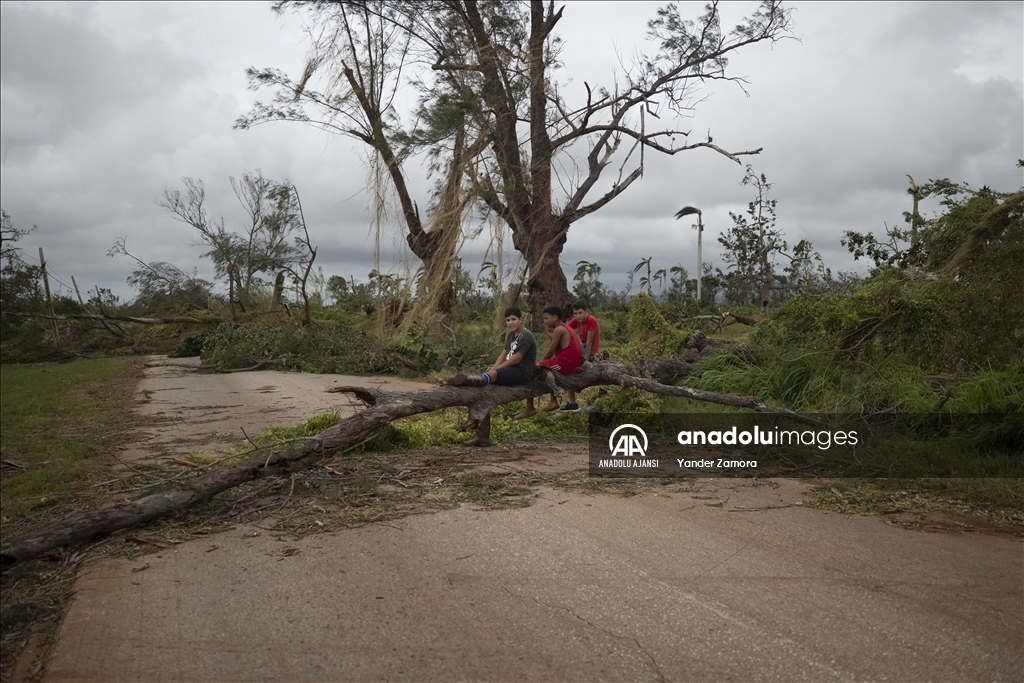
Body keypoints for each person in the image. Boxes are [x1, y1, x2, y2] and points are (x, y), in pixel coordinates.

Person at [446, 307, 537, 445]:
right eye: (508, 320)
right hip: (511, 369)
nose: (511, 322)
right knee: (483, 391)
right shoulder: (511, 335)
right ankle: (482, 437)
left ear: (521, 319)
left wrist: (496, 371)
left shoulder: (526, 335)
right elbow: (504, 354)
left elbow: (516, 359)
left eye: (514, 319)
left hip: (522, 371)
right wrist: (495, 368)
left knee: (491, 375)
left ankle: (468, 380)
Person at [516, 305, 582, 419]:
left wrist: (540, 363)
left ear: (555, 317)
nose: (545, 321)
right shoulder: (564, 327)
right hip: (568, 362)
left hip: (566, 364)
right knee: (543, 366)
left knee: (533, 368)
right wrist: (551, 337)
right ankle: (551, 400)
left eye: (546, 318)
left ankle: (531, 407)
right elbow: (560, 349)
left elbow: (551, 351)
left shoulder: (559, 329)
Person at [563, 299, 601, 411]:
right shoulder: (577, 321)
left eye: (580, 313)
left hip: (590, 352)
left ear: (586, 311)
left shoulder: (591, 320)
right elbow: (566, 328)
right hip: (582, 349)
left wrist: (587, 359)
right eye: (575, 313)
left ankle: (572, 403)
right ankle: (571, 403)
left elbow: (589, 342)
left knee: (569, 371)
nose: (578, 316)